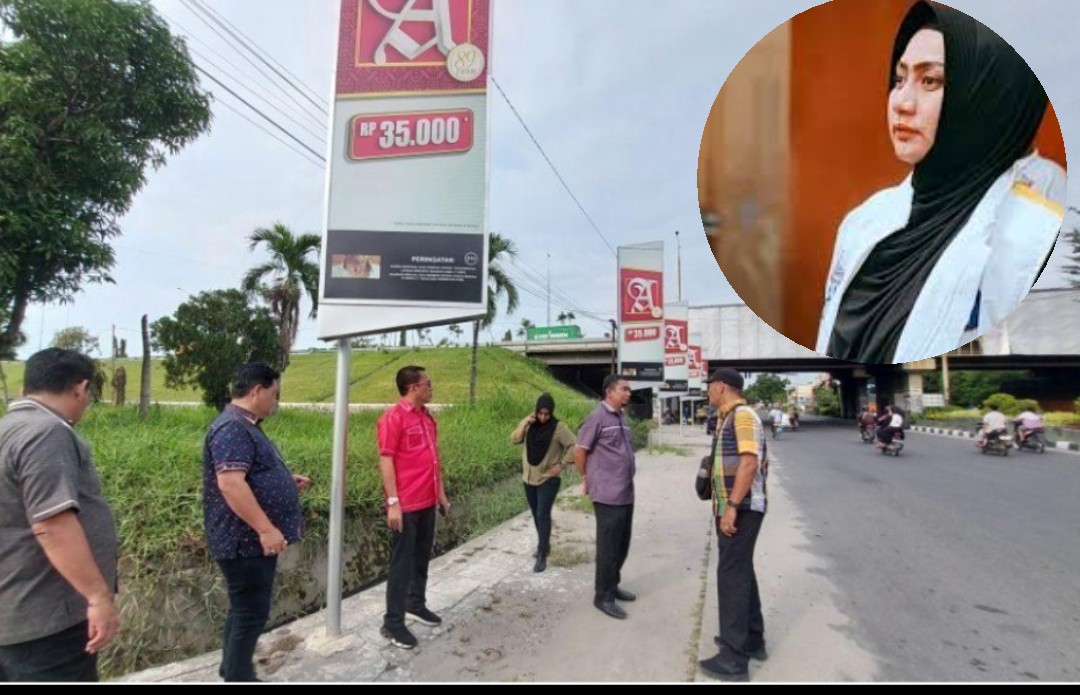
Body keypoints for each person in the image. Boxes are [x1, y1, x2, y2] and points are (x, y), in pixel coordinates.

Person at [816, 1, 1066, 364]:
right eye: (899, 79)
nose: (901, 102)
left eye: (929, 80)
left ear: (989, 94)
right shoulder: (863, 222)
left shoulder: (1035, 228)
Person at [0, 348, 119, 682]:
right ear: (80, 388)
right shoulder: (46, 433)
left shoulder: (8, 428)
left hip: (16, 612)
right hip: (46, 621)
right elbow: (52, 524)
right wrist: (97, 597)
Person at [203, 362, 308, 682]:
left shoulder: (245, 424)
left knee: (243, 608)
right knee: (251, 611)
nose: (276, 401)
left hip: (246, 541)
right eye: (274, 394)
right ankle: (238, 675)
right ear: (256, 390)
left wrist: (284, 481)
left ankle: (230, 667)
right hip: (244, 541)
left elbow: (247, 474)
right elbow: (231, 483)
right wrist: (265, 529)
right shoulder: (233, 427)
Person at [698, 368, 769, 682]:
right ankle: (752, 640)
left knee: (731, 576)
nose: (707, 392)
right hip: (736, 506)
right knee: (740, 571)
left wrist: (732, 507)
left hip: (740, 509)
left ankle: (733, 658)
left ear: (721, 386)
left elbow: (750, 462)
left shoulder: (742, 415)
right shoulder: (729, 417)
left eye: (710, 386)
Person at [377, 365, 450, 649]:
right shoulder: (393, 418)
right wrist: (393, 502)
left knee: (421, 558)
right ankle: (393, 623)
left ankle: (415, 604)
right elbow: (386, 460)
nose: (431, 387)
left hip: (427, 501)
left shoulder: (427, 418)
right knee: (401, 565)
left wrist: (441, 494)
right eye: (427, 383)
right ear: (413, 387)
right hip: (405, 504)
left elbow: (434, 460)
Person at [574, 374, 637, 620]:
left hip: (626, 491)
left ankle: (613, 584)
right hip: (607, 494)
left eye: (629, 389)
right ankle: (603, 596)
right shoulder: (596, 418)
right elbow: (580, 451)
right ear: (609, 392)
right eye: (624, 389)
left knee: (622, 545)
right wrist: (586, 478)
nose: (628, 393)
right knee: (608, 548)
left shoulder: (622, 418)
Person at [510, 393, 576, 573]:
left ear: (551, 412)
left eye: (547, 414)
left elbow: (573, 445)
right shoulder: (530, 424)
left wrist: (562, 465)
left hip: (548, 478)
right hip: (529, 477)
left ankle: (541, 554)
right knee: (535, 513)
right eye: (540, 413)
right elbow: (515, 439)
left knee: (542, 514)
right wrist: (525, 423)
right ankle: (544, 545)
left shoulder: (558, 427)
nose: (543, 417)